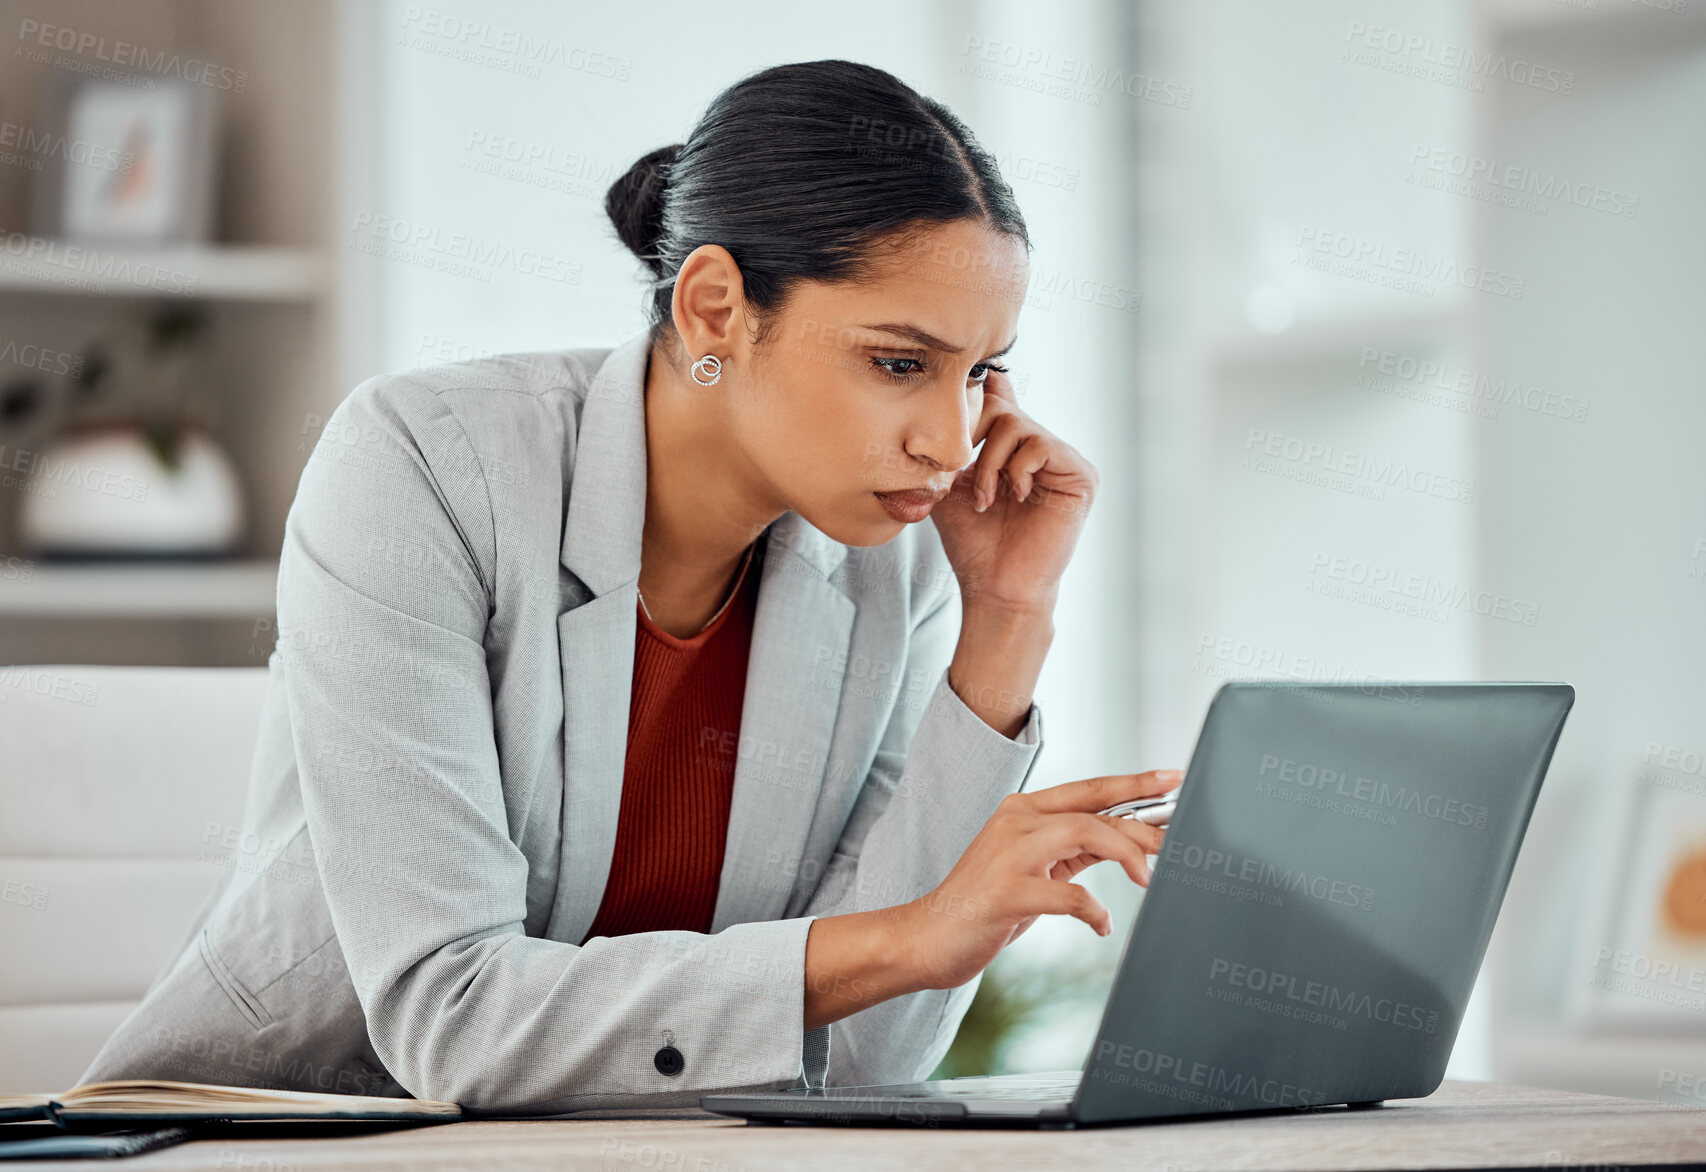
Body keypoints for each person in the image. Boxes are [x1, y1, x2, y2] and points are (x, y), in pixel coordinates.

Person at [78, 58, 1179, 1113]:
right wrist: (907, 936)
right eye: (900, 362)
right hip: (280, 1130)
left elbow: (857, 1054)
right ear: (712, 310)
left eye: (980, 371)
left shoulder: (900, 562)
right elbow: (445, 1016)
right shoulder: (423, 463)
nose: (950, 438)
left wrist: (1007, 616)